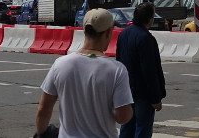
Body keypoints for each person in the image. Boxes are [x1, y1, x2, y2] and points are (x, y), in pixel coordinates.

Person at [35, 8, 133, 138]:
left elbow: (43, 109)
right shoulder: (117, 70)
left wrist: (41, 133)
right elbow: (123, 117)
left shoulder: (60, 64)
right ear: (109, 32)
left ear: (84, 30)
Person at [116, 2, 166, 138]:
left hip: (126, 90)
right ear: (150, 19)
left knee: (127, 127)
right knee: (143, 129)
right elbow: (150, 71)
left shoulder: (123, 34)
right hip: (143, 94)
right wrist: (156, 98)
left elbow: (119, 62)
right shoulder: (146, 38)